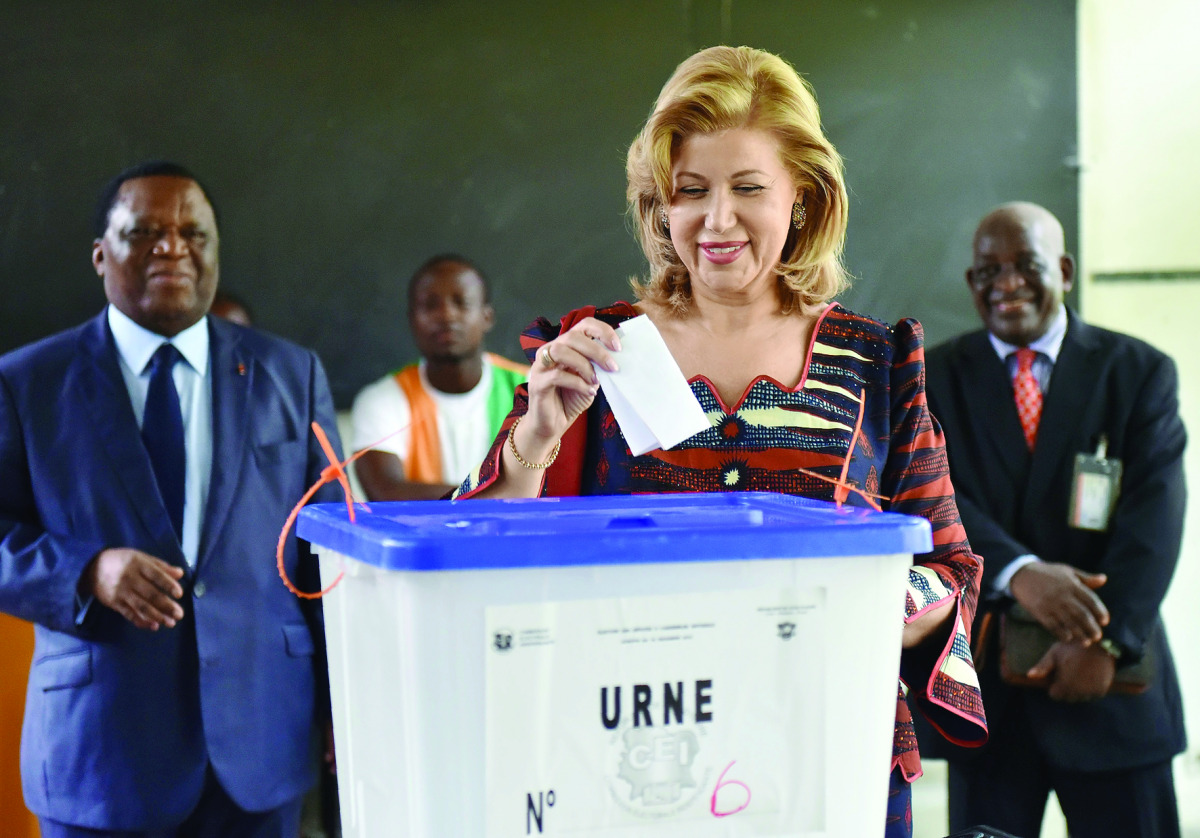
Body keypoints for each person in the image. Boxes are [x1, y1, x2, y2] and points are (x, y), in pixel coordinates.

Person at [453, 45, 987, 836]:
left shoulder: (878, 366)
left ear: (801, 197)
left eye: (748, 188)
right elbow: (483, 553)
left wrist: (869, 604)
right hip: (635, 762)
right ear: (659, 206)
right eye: (691, 191)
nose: (717, 219)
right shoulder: (596, 352)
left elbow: (946, 567)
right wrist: (537, 432)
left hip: (831, 759)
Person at [0, 161, 342, 837]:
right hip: (100, 754)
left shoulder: (289, 373)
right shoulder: (27, 383)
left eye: (193, 233)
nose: (172, 247)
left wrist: (343, 702)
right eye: (146, 232)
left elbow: (326, 555)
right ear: (101, 255)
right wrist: (87, 570)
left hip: (261, 746)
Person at [924, 202, 1187, 837]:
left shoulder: (1138, 372)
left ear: (1065, 270)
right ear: (971, 282)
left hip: (1110, 682)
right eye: (989, 270)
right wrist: (1019, 573)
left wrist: (1109, 639)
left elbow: (1155, 519)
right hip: (991, 694)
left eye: (1026, 266)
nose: (1006, 283)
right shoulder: (932, 378)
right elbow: (931, 498)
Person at [350, 254, 527, 500]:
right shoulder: (383, 399)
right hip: (424, 540)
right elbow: (386, 493)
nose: (446, 315)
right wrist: (504, 495)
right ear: (412, 320)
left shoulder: (533, 390)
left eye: (462, 302)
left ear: (487, 317)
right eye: (430, 305)